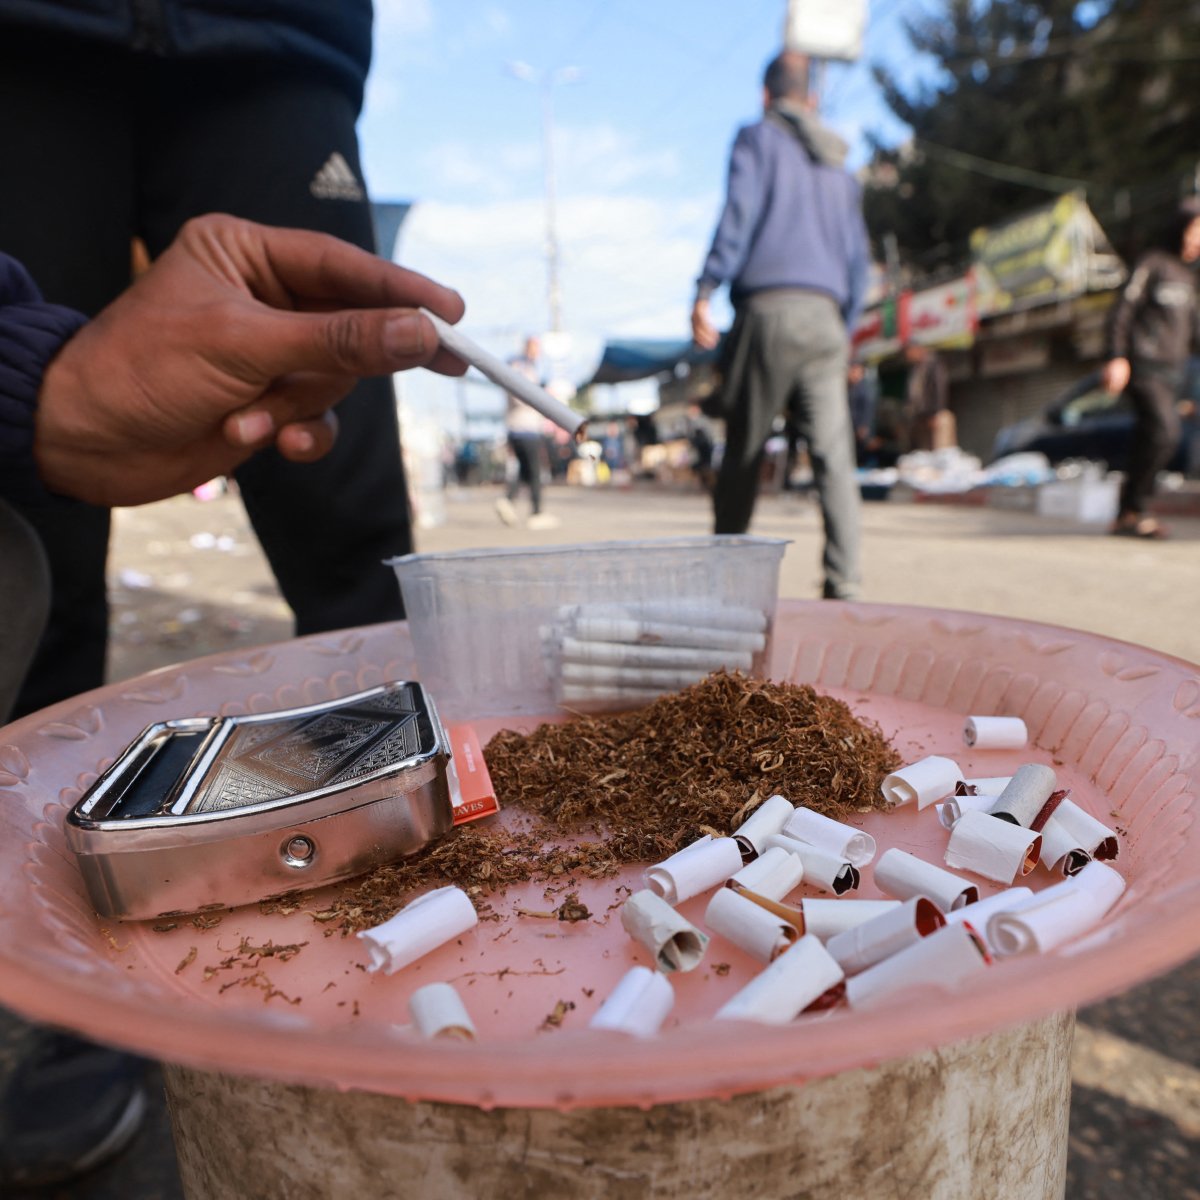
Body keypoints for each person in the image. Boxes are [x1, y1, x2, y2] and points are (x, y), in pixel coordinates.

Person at [0, 213, 465, 1189]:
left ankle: (418, 884)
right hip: (43, 70)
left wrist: (31, 376)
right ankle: (76, 1013)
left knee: (353, 531)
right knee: (38, 574)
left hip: (288, 61)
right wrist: (34, 382)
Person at [0, 4, 416, 719]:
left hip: (281, 33)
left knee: (350, 515)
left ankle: (413, 767)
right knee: (37, 542)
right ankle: (27, 807)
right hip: (29, 36)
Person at [691, 51, 870, 601]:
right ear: (811, 101)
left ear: (766, 96)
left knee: (746, 450)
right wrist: (845, 326)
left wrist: (706, 287)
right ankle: (845, 585)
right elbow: (858, 261)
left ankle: (726, 586)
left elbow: (738, 214)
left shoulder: (757, 140)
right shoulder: (839, 168)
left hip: (768, 313)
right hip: (825, 320)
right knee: (834, 459)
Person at [1102, 196, 1200, 539]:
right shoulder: (1153, 263)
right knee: (1164, 431)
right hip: (1144, 365)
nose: (1198, 239)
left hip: (1174, 372)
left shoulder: (1187, 279)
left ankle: (1127, 514)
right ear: (1181, 227)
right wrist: (1116, 356)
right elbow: (1122, 310)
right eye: (1196, 229)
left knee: (1153, 438)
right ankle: (1134, 509)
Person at [495, 336, 558, 529]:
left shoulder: (525, 369)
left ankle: (508, 500)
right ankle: (536, 513)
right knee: (535, 471)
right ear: (527, 348)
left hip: (520, 428)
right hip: (524, 428)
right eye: (535, 348)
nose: (537, 352)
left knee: (525, 470)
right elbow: (521, 398)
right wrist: (543, 396)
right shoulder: (519, 369)